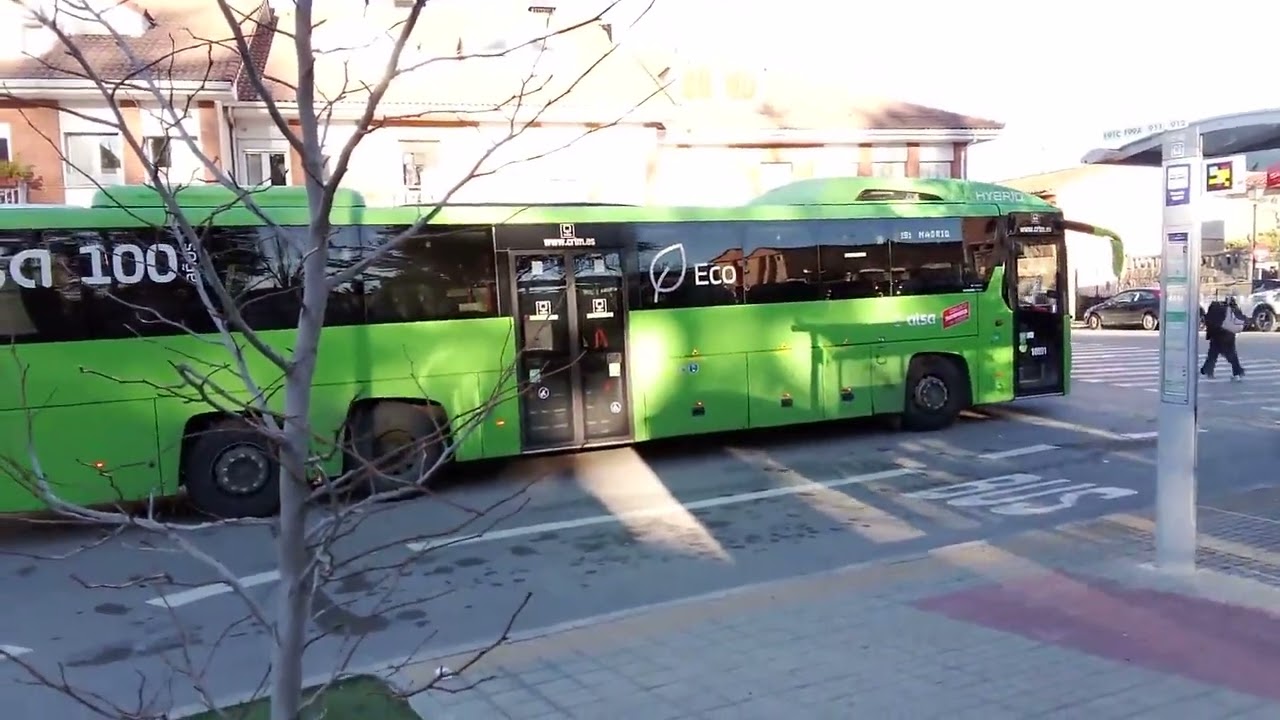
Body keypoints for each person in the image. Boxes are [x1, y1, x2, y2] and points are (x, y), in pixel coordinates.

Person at [1201, 298, 1246, 380]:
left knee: (1214, 353)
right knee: (1228, 353)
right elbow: (1240, 318)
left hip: (1217, 334)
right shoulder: (1232, 306)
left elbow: (1209, 322)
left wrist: (1209, 335)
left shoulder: (1215, 307)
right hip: (1229, 333)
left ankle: (1208, 370)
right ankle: (1207, 369)